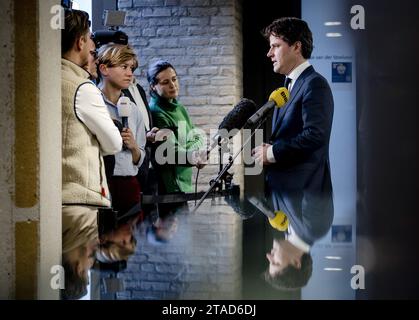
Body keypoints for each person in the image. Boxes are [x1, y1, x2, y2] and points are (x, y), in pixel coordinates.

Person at [252, 17, 334, 253]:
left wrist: (273, 152)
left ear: (296, 46)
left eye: (275, 45)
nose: (269, 53)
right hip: (289, 204)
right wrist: (272, 148)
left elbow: (315, 136)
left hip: (304, 202)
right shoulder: (289, 86)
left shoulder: (314, 84)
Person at [61, 9, 122, 298]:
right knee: (70, 273)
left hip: (53, 202)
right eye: (90, 43)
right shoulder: (82, 87)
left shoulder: (42, 79)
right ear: (78, 43)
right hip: (79, 200)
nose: (94, 50)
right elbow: (113, 143)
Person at [147, 60, 207, 214]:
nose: (172, 85)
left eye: (174, 79)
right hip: (169, 187)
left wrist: (188, 152)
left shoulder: (178, 107)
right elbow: (171, 154)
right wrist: (192, 155)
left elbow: (198, 136)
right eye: (165, 82)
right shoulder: (157, 112)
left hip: (182, 183)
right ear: (153, 86)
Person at [97, 43, 146, 218]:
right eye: (124, 67)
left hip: (129, 186)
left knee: (131, 243)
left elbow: (140, 157)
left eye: (131, 68)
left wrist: (133, 147)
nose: (130, 73)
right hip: (100, 185)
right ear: (104, 69)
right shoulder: (93, 104)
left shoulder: (133, 110)